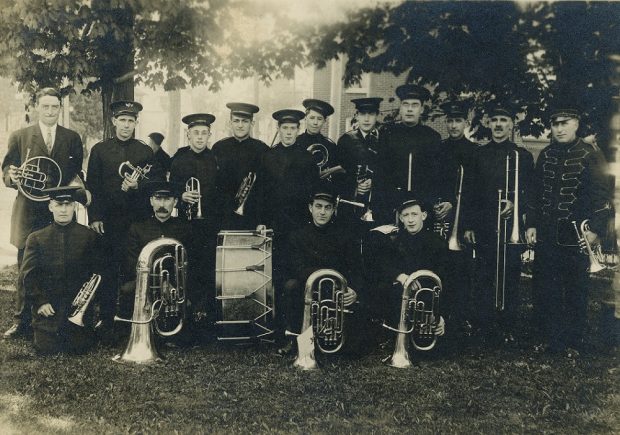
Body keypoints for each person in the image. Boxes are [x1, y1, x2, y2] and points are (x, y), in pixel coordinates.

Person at [525, 102, 612, 353]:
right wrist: (531, 224)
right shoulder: (546, 154)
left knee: (574, 289)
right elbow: (534, 194)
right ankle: (543, 337)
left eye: (565, 124)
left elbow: (601, 195)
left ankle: (572, 341)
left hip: (576, 236)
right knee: (543, 287)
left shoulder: (591, 154)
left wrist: (594, 229)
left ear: (576, 124)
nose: (560, 129)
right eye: (555, 124)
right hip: (547, 234)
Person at [2, 87, 84, 339]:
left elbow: (75, 173)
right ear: (37, 107)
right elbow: (7, 171)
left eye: (54, 107)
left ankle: (56, 315)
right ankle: (22, 320)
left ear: (60, 108)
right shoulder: (20, 135)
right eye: (45, 106)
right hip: (28, 211)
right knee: (26, 266)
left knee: (61, 264)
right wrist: (12, 176)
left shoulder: (72, 137)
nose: (50, 111)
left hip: (58, 211)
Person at [462, 102, 534, 343]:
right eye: (494, 121)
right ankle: (482, 323)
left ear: (512, 124)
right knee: (483, 274)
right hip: (483, 223)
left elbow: (529, 192)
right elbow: (470, 193)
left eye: (504, 121)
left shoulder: (522, 156)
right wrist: (469, 225)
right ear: (488, 124)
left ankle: (507, 325)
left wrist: (516, 203)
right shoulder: (478, 154)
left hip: (509, 223)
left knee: (510, 275)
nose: (499, 125)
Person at [86, 100, 160, 333]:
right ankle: (107, 319)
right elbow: (93, 186)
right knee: (107, 269)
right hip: (107, 221)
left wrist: (138, 186)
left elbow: (154, 187)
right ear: (114, 121)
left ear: (136, 123)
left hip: (136, 221)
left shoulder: (145, 151)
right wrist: (95, 217)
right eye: (122, 120)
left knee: (134, 270)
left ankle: (132, 319)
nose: (126, 125)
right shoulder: (100, 150)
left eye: (131, 121)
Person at [282, 183, 363, 355]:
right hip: (313, 286)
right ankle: (295, 340)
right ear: (310, 208)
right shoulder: (297, 236)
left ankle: (332, 339)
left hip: (338, 289)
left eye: (327, 207)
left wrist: (355, 291)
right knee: (291, 286)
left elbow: (356, 267)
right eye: (318, 206)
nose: (322, 212)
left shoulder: (344, 236)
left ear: (333, 210)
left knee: (353, 352)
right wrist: (328, 282)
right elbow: (298, 268)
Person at [21, 186, 103, 354]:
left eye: (68, 204)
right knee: (46, 348)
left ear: (74, 206)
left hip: (77, 308)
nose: (64, 210)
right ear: (51, 206)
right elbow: (28, 275)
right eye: (59, 205)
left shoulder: (88, 236)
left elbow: (97, 272)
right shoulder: (36, 238)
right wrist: (40, 301)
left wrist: (89, 300)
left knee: (79, 348)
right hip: (49, 308)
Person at [120, 181, 193, 336]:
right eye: (158, 199)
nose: (162, 204)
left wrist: (171, 283)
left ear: (175, 202)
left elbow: (190, 263)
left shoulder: (185, 228)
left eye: (167, 199)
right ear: (151, 201)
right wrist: (158, 282)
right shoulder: (137, 228)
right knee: (127, 289)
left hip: (175, 284)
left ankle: (179, 329)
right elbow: (132, 262)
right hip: (146, 281)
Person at [371, 196, 447, 342]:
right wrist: (400, 275)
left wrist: (441, 315)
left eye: (414, 214)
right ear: (400, 218)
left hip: (428, 304)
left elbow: (447, 281)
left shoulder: (438, 243)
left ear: (423, 216)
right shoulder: (393, 241)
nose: (410, 220)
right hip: (400, 301)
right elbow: (381, 265)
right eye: (406, 215)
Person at [169, 113, 219, 321]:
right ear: (188, 134)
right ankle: (186, 314)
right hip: (185, 223)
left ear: (209, 135)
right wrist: (181, 194)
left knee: (207, 268)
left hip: (209, 224)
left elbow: (221, 193)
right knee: (186, 268)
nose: (200, 137)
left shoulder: (216, 160)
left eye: (204, 133)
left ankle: (206, 315)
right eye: (195, 133)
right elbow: (171, 188)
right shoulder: (179, 160)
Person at [374, 84, 446, 226]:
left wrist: (430, 203)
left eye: (415, 105)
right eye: (405, 104)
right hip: (392, 206)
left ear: (421, 109)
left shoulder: (432, 137)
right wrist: (381, 208)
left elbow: (437, 176)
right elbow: (380, 174)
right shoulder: (388, 134)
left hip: (422, 207)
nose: (409, 109)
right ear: (400, 108)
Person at [436, 100, 479, 333]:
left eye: (458, 121)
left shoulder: (473, 151)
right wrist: (438, 204)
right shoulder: (438, 148)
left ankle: (459, 318)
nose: (453, 125)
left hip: (461, 221)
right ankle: (438, 315)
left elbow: (474, 192)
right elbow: (430, 181)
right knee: (439, 266)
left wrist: (457, 208)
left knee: (461, 272)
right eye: (450, 121)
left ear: (466, 123)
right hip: (438, 217)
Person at [211, 102, 268, 230]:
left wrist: (261, 219)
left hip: (252, 215)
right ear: (230, 123)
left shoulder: (262, 149)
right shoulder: (219, 148)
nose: (240, 125)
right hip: (223, 215)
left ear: (252, 124)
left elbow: (264, 189)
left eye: (245, 121)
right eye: (236, 121)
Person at [336, 97, 383, 231]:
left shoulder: (383, 141)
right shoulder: (346, 140)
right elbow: (338, 174)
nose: (367, 119)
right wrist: (355, 186)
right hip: (350, 203)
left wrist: (374, 182)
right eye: (363, 114)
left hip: (375, 203)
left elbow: (388, 172)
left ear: (376, 116)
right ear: (356, 115)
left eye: (371, 114)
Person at [295, 98, 340, 180]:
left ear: (324, 121)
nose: (315, 123)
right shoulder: (295, 143)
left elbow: (337, 177)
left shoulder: (330, 146)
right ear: (305, 118)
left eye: (319, 119)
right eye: (312, 118)